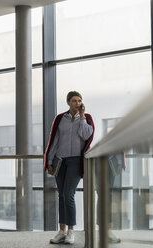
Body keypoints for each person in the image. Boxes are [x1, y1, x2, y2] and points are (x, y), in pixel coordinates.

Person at [44, 91, 95, 244]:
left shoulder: (86, 118)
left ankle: (71, 231)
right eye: (74, 101)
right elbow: (54, 140)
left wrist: (82, 117)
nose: (77, 103)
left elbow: (87, 136)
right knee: (61, 195)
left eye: (80, 101)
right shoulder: (60, 118)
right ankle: (62, 231)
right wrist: (49, 161)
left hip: (75, 161)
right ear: (68, 102)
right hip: (60, 160)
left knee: (69, 195)